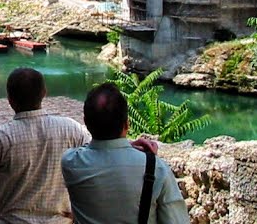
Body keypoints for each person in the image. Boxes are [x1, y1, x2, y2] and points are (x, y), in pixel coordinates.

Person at [0, 67, 90, 223]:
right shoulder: (72, 129)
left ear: (10, 99)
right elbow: (96, 160)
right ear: (44, 93)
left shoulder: (0, 138)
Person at [61, 83, 189, 224]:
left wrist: (125, 146)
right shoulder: (155, 168)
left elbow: (89, 149)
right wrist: (128, 147)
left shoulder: (70, 162)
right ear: (127, 124)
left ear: (86, 122)